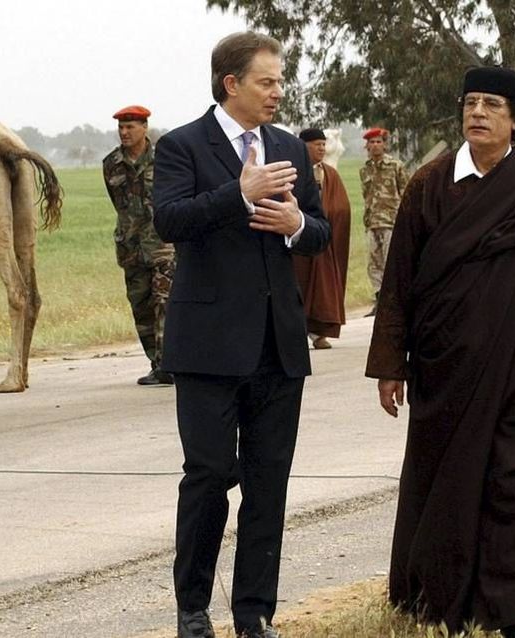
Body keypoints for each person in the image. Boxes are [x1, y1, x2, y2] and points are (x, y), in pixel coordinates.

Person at [366, 66, 515, 638]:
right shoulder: (429, 185)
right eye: (470, 103)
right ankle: (435, 595)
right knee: (447, 481)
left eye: (492, 105)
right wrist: (389, 364)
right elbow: (398, 281)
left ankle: (512, 611)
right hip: (446, 368)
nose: (478, 113)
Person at [152, 31, 331, 638]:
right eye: (268, 82)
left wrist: (296, 223)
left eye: (280, 81)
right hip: (207, 347)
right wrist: (240, 193)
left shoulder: (288, 148)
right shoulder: (182, 146)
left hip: (277, 346)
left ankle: (255, 613)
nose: (279, 92)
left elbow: (321, 231)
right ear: (232, 84)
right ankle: (193, 609)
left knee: (268, 484)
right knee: (206, 476)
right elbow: (170, 219)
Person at [102, 105, 176, 385]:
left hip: (163, 243)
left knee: (164, 303)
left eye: (130, 127)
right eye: (121, 127)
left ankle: (169, 364)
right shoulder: (111, 164)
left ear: (145, 128)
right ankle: (156, 362)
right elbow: (117, 203)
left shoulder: (165, 159)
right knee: (141, 306)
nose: (124, 132)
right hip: (130, 247)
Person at [293, 128, 351, 349]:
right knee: (298, 284)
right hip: (298, 240)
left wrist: (328, 216)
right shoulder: (293, 171)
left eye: (323, 144)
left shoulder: (330, 173)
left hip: (322, 240)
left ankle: (318, 333)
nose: (322, 148)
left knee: (323, 286)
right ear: (303, 146)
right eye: (316, 144)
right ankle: (297, 331)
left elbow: (341, 206)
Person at [359, 127, 409, 317]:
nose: (375, 145)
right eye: (372, 142)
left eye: (379, 141)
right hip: (372, 222)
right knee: (374, 264)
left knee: (391, 262)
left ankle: (394, 302)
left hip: (391, 221)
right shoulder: (365, 169)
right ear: (367, 146)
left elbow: (405, 191)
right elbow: (366, 196)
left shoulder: (395, 166)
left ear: (385, 144)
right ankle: (379, 300)